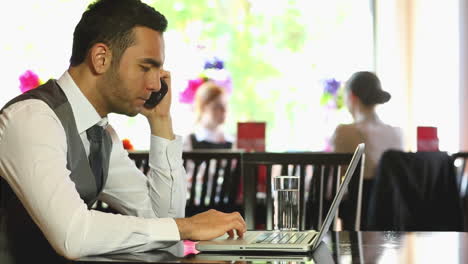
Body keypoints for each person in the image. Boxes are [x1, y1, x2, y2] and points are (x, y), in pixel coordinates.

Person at [0, 0, 245, 261]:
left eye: (158, 70)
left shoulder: (102, 135)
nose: (155, 84)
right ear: (101, 58)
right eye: (145, 67)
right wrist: (187, 226)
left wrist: (161, 121)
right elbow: (73, 234)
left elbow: (162, 220)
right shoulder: (32, 119)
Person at [330, 71, 404, 226]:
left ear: (352, 97)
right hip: (394, 218)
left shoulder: (346, 132)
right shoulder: (396, 133)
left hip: (359, 219)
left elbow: (333, 183)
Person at [183, 81, 234, 150]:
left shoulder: (232, 142)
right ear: (203, 107)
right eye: (218, 106)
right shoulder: (189, 142)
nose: (224, 110)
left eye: (225, 105)